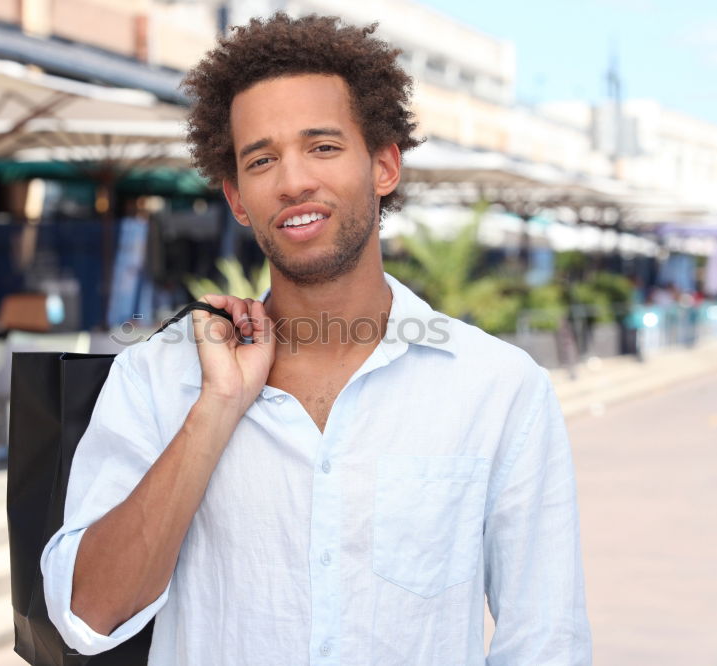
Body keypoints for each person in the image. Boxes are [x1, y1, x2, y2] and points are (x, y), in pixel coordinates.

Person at [42, 13, 591, 665]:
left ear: (383, 165)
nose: (294, 180)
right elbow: (86, 618)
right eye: (262, 158)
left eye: (322, 147)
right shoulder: (159, 379)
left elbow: (545, 641)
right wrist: (214, 411)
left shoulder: (498, 390)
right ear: (238, 198)